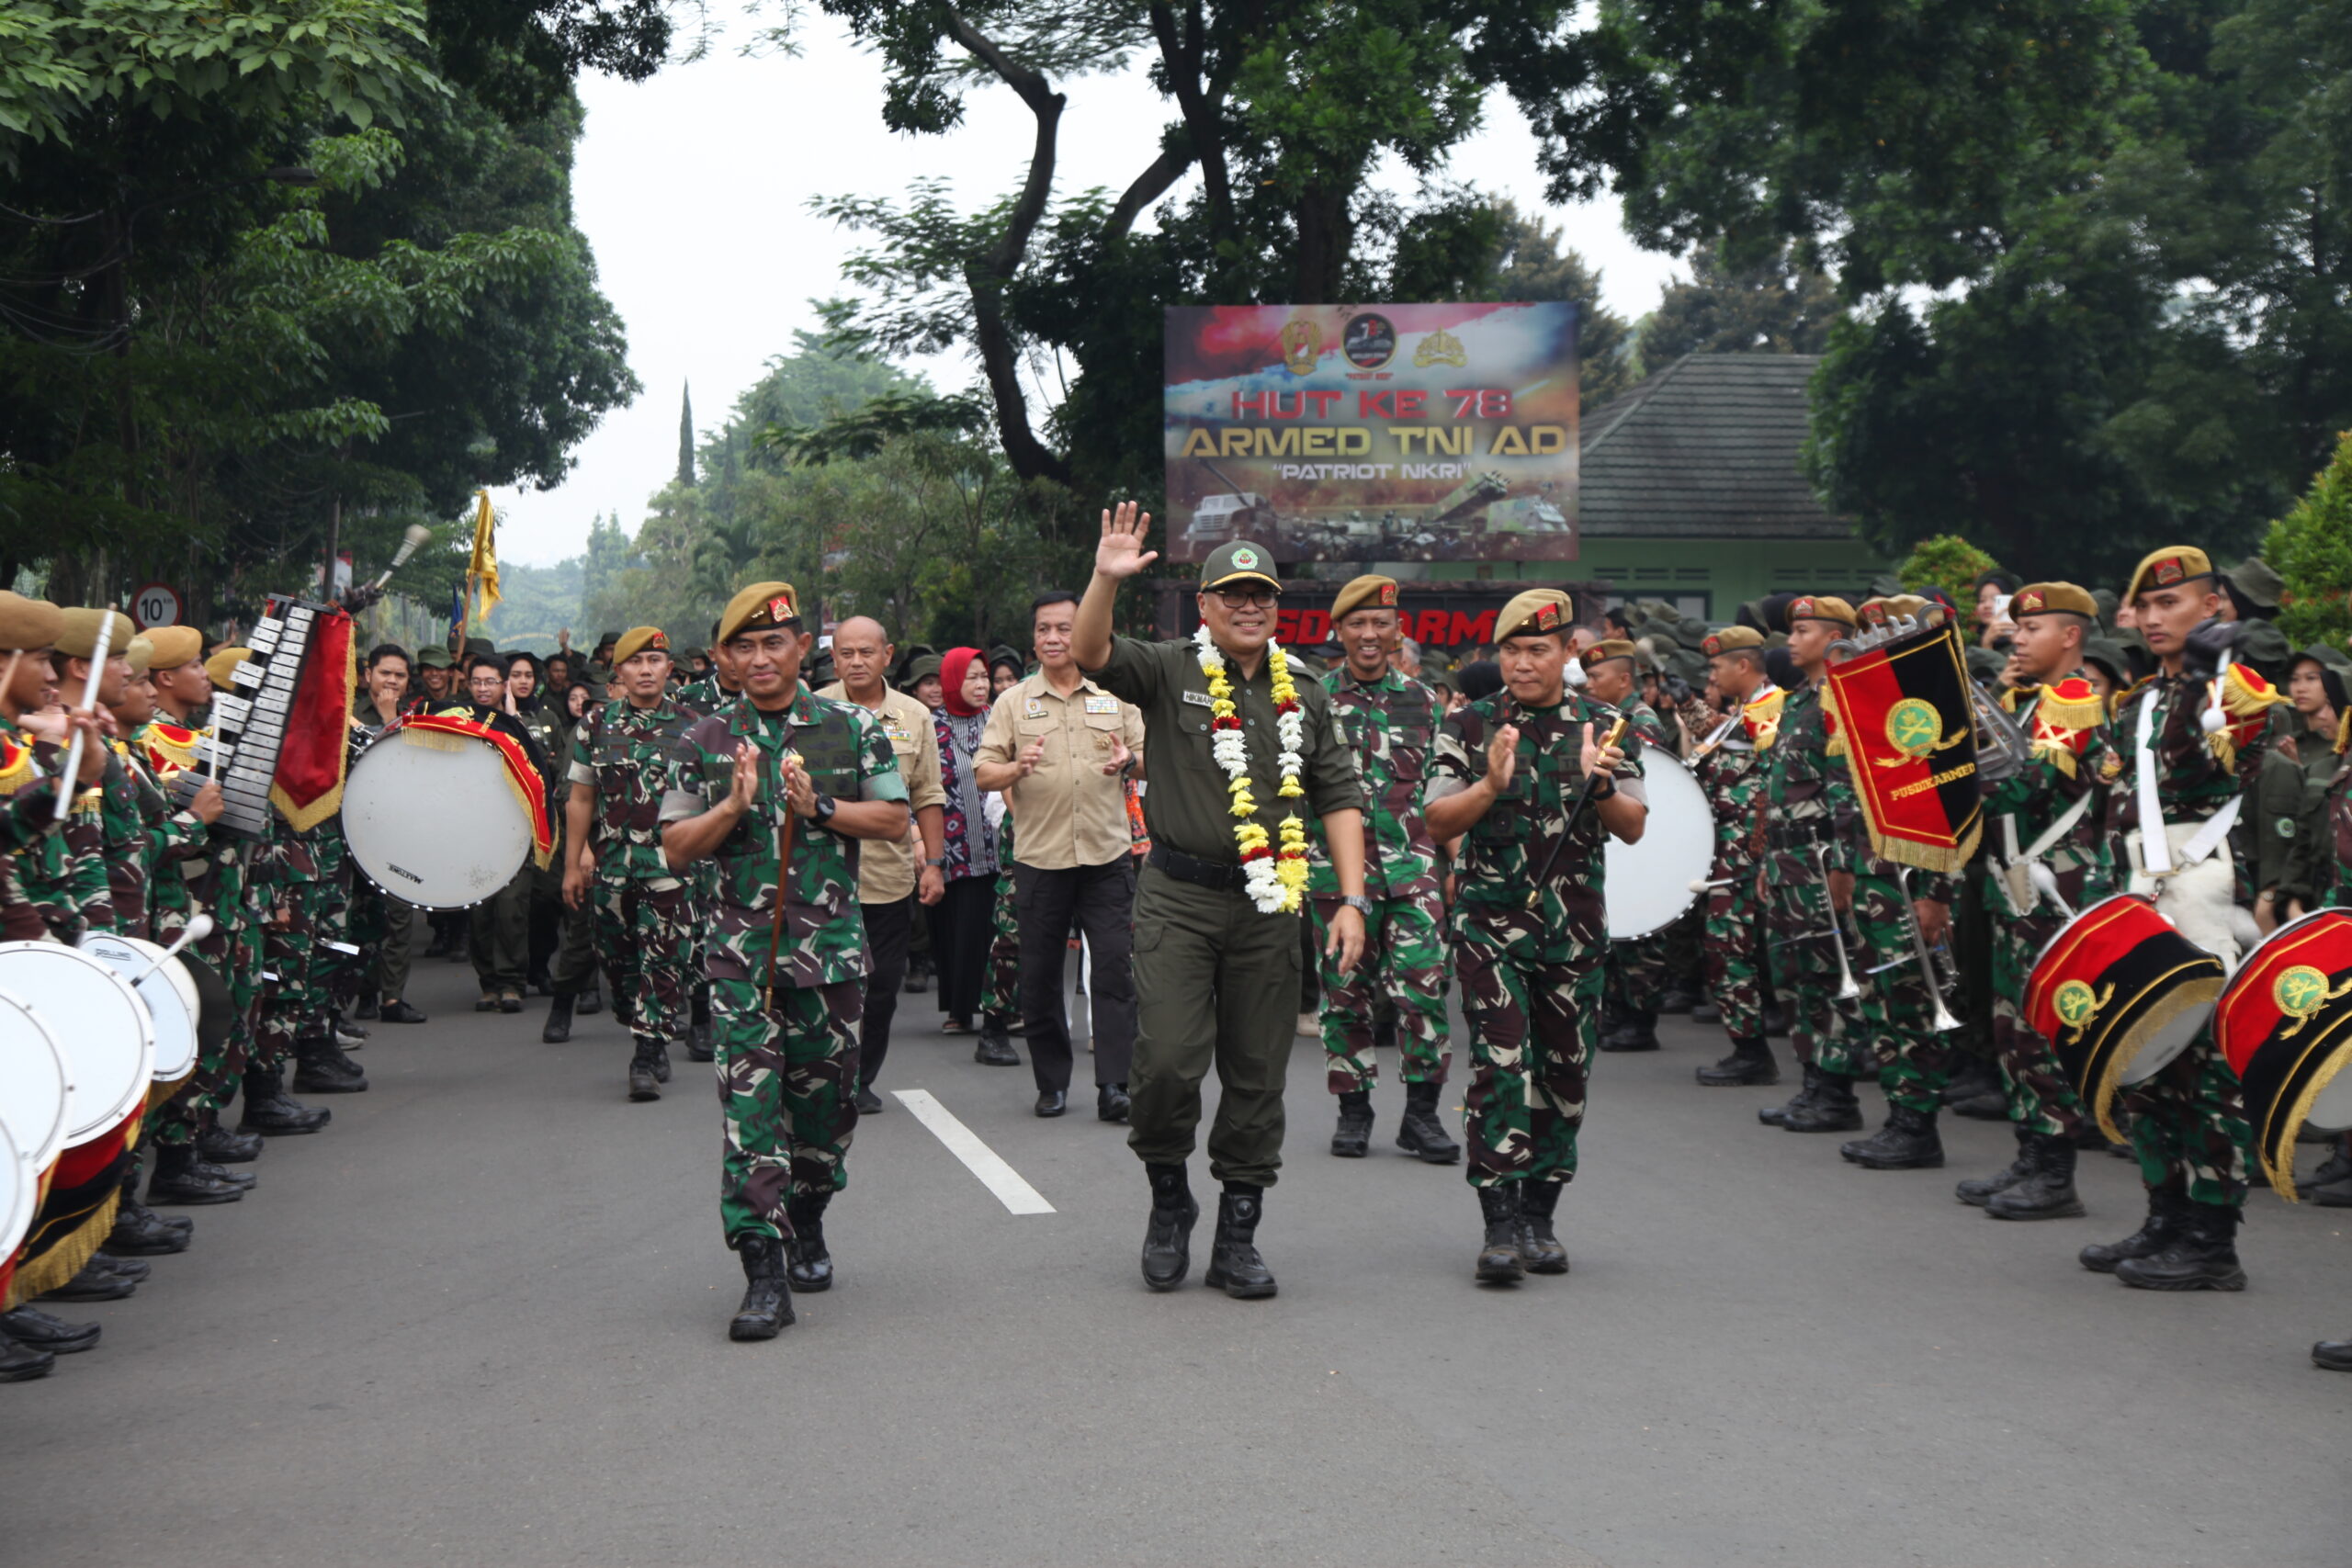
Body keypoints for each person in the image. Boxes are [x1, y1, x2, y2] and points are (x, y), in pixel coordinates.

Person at [1074, 509, 1367, 1299]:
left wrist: (1351, 899)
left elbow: (1338, 794)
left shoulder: (1302, 687)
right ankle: (1170, 1198)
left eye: (1261, 596)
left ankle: (1238, 1229)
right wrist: (1106, 575)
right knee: (1166, 1060)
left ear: (1276, 608)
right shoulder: (1170, 668)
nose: (1248, 607)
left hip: (1272, 902)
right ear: (1204, 606)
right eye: (1231, 595)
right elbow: (1089, 652)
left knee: (1257, 1072)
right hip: (1177, 895)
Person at [660, 581, 910, 1341]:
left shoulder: (848, 728)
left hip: (829, 959)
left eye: (775, 643)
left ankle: (808, 1210)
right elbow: (673, 844)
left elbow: (895, 817)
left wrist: (821, 809)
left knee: (825, 1114)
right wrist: (732, 808)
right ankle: (764, 1269)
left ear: (805, 648)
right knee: (750, 1118)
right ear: (727, 660)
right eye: (744, 647)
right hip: (741, 965)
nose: (760, 657)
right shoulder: (703, 738)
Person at [1424, 590, 1646, 1281]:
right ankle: (1498, 1224)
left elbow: (1635, 825)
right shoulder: (1468, 724)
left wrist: (1601, 785)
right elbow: (1437, 819)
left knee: (1564, 1072)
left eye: (1538, 651)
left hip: (1574, 933)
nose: (1523, 664)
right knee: (1499, 1066)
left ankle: (1541, 1215)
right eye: (1512, 651)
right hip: (1491, 927)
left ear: (1567, 653)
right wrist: (1490, 784)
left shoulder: (1607, 726)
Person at [2083, 547, 2282, 1291]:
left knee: (2203, 1069)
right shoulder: (2135, 702)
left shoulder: (2237, 690)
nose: (2155, 617)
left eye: (2174, 603)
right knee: (2145, 1059)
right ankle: (2164, 1211)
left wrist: (2209, 681)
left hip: (2203, 890)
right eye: (2148, 606)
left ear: (2214, 607)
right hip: (2139, 888)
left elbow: (2237, 764)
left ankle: (2212, 1235)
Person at [1949, 583, 2118, 1219]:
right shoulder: (2028, 706)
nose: (2018, 637)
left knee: (2042, 1029)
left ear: (2071, 637)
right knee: (2011, 1029)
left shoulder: (2071, 703)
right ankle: (2031, 1151)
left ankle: (2055, 1170)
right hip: (2015, 882)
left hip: (2053, 888)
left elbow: (2022, 788)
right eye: (2017, 627)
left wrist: (1958, 766)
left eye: (2034, 627)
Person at [976, 592, 1148, 1121]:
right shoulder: (1013, 702)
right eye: (1044, 629)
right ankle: (1052, 1084)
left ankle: (1114, 1085)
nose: (1054, 638)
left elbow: (1152, 760)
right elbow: (984, 771)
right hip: (1040, 859)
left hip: (1107, 857)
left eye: (1065, 628)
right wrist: (1016, 770)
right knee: (1043, 974)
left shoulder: (1118, 695)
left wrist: (1131, 760)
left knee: (1116, 971)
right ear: (1034, 639)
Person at [1305, 575, 1455, 1163]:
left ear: (1398, 631)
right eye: (1357, 624)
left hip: (1412, 869)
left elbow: (1444, 789)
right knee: (1345, 994)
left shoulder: (1425, 700)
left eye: (1381, 624)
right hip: (1335, 875)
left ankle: (1421, 1116)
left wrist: (1455, 862)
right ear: (1338, 631)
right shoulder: (1312, 700)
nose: (1370, 635)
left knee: (1424, 985)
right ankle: (1354, 1110)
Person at [541, 627, 702, 1098]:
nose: (646, 669)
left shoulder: (695, 726)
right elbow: (582, 797)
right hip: (612, 865)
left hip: (672, 868)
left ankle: (647, 1055)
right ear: (620, 672)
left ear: (669, 669)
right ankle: (645, 1026)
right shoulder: (597, 725)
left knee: (664, 958)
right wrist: (573, 864)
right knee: (616, 959)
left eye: (655, 660)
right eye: (636, 662)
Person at [816, 615, 948, 1116]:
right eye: (846, 653)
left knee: (883, 986)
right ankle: (826, 1074)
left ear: (887, 655)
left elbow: (928, 794)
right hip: (821, 878)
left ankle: (860, 1077)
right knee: (828, 984)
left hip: (887, 879)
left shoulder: (914, 715)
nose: (856, 662)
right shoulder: (812, 710)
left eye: (866, 652)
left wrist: (932, 864)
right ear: (835, 659)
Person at [1754, 597, 1874, 1134]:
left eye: (1802, 631)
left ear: (1832, 638)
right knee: (1799, 976)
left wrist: (1845, 865)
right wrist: (1769, 861)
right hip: (1789, 861)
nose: (1791, 641)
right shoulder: (1802, 699)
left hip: (1822, 859)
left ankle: (1837, 1091)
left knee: (1831, 973)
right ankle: (1813, 1082)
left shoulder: (1840, 700)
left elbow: (1847, 791)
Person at [1680, 627, 1785, 1086]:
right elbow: (1718, 738)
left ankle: (1753, 1051)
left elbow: (1773, 778)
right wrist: (1687, 704)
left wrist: (1760, 849)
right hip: (1731, 849)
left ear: (1743, 666)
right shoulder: (1750, 709)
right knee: (1729, 945)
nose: (1713, 675)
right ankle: (1751, 1045)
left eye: (1717, 667)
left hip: (1747, 852)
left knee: (1729, 944)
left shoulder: (1771, 707)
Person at [921, 649, 1013, 1072]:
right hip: (953, 845)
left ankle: (1002, 1004)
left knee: (997, 927)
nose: (980, 685)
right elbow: (920, 786)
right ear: (952, 681)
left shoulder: (999, 718)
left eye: (984, 678)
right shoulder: (931, 726)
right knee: (958, 927)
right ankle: (959, 1008)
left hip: (999, 842)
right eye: (971, 678)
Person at [1580, 638, 1675, 1055]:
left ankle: (1641, 1020)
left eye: (1596, 677)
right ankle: (1620, 1012)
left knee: (1641, 942)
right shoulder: (1613, 716)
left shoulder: (1641, 721)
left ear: (1622, 679)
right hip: (1618, 832)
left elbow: (1645, 780)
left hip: (1641, 837)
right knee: (1619, 939)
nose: (1588, 685)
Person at [440, 655, 544, 1013]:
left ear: (504, 685)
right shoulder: (457, 722)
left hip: (514, 829)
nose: (483, 689)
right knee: (480, 911)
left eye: (491, 682)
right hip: (473, 831)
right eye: (477, 682)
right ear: (468, 685)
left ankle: (513, 982)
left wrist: (513, 722)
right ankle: (489, 983)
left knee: (512, 909)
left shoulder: (522, 722)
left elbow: (539, 770)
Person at [350, 644, 426, 1024]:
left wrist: (392, 718)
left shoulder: (419, 716)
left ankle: (393, 998)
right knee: (363, 916)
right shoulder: (347, 714)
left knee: (400, 917)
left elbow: (413, 767)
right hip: (359, 831)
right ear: (368, 675)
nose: (391, 681)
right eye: (385, 673)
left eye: (399, 675)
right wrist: (382, 719)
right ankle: (363, 990)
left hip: (402, 830)